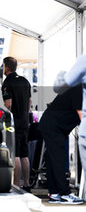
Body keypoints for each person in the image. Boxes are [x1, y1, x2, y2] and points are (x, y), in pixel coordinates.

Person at [38, 85, 84, 204]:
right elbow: (82, 116)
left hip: (54, 126)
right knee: (58, 159)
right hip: (53, 126)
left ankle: (54, 194)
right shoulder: (78, 89)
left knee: (52, 159)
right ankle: (65, 194)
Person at [53, 54, 86, 199]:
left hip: (59, 127)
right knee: (57, 157)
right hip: (55, 128)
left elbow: (59, 86)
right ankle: (57, 192)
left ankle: (58, 192)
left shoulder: (83, 62)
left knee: (57, 158)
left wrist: (61, 73)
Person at [2, 57, 31, 191]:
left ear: (7, 67)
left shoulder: (7, 82)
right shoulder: (25, 81)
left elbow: (8, 105)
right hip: (25, 121)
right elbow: (30, 102)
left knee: (16, 155)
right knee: (25, 155)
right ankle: (26, 184)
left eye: (2, 65)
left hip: (14, 122)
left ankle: (16, 185)